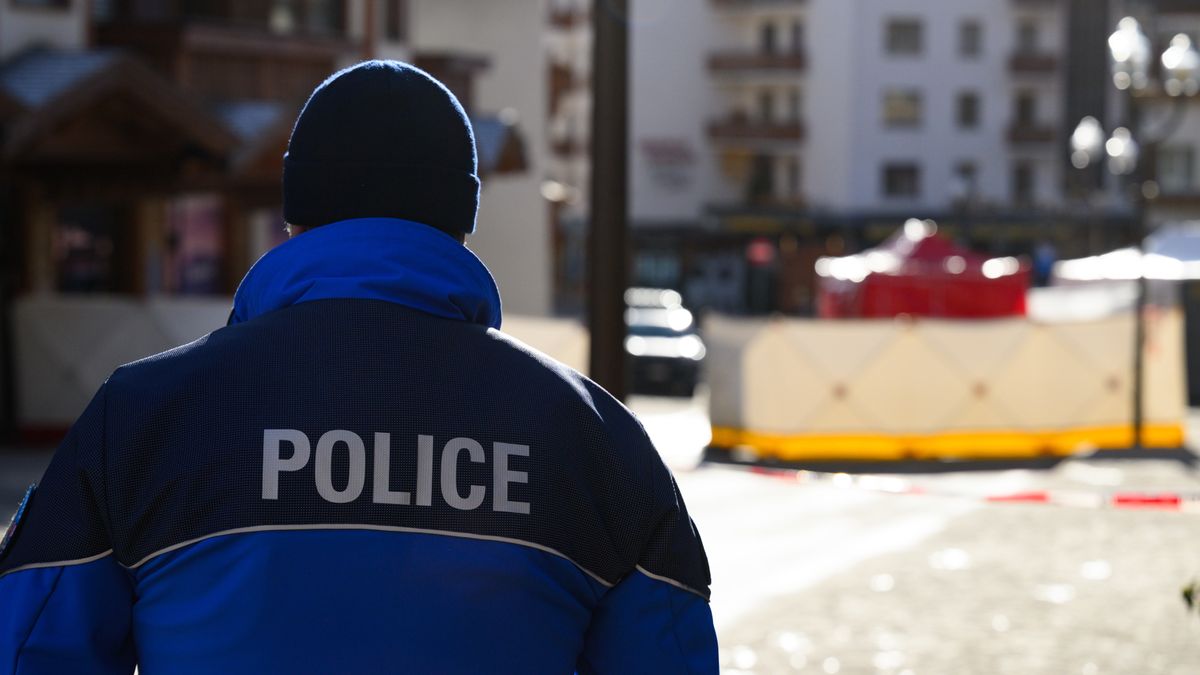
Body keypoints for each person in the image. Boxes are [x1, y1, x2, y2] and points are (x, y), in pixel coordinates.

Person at [0, 61, 716, 674]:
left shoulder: (141, 417)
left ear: (295, 216)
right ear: (459, 218)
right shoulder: (594, 442)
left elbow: (31, 649)